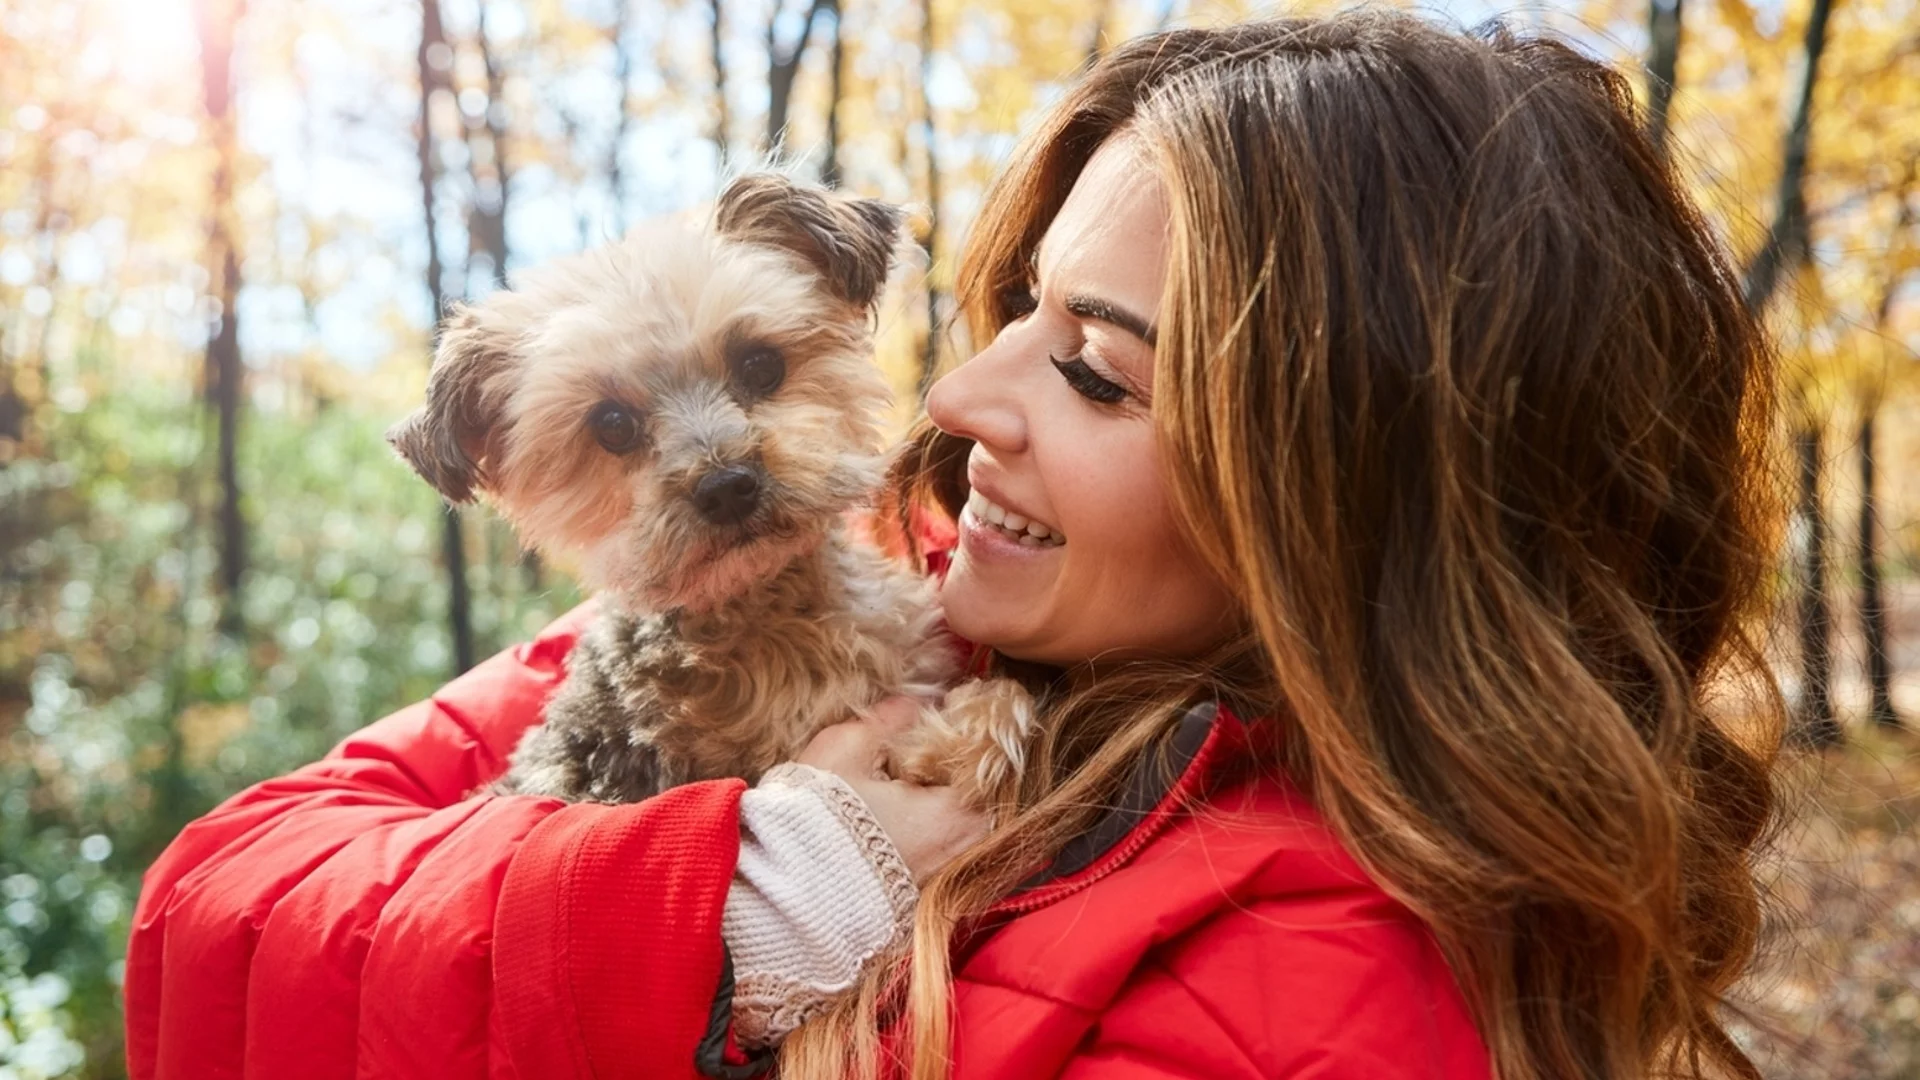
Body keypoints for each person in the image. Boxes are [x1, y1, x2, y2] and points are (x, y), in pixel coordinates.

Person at [125, 11, 1782, 1080]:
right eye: (1011, 309)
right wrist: (712, 898)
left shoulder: (1318, 1000)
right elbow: (205, 918)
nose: (960, 391)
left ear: (1343, 502)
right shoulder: (905, 592)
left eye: (1095, 368)